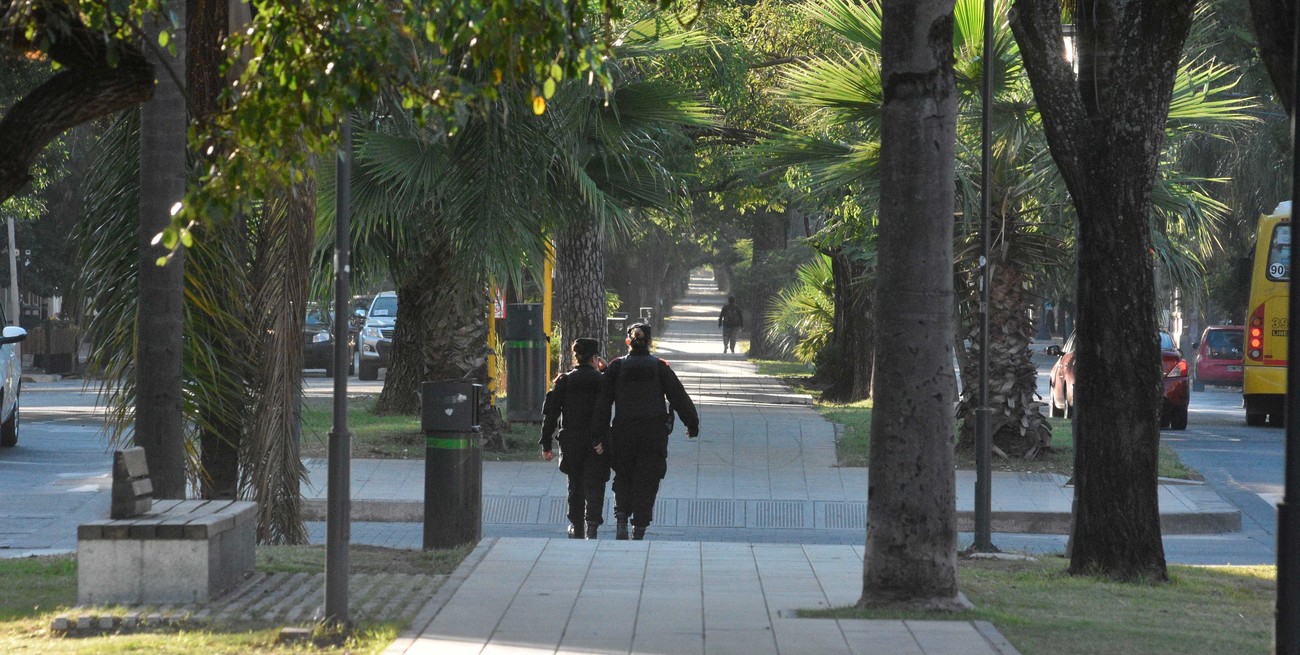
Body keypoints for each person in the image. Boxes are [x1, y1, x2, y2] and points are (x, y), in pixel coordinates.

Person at [593, 323, 699, 540]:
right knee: (648, 478)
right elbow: (678, 396)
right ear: (650, 342)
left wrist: (599, 434)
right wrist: (692, 424)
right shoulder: (659, 367)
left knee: (623, 475)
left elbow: (603, 403)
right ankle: (639, 527)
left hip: (623, 431)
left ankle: (621, 517)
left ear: (627, 342)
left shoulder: (617, 367)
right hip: (653, 433)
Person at [539, 338, 609, 539]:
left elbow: (551, 414)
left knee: (575, 483)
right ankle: (593, 525)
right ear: (595, 357)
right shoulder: (601, 381)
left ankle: (577, 526)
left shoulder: (565, 381)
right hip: (598, 441)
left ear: (575, 357)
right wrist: (604, 370)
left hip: (571, 439)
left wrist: (546, 443)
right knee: (595, 482)